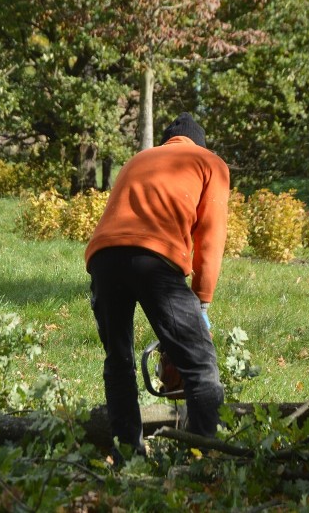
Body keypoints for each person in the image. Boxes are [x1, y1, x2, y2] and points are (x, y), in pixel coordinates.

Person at [85, 112, 230, 459]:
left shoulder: (139, 159)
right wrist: (202, 303)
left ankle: (127, 455)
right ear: (200, 143)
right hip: (155, 259)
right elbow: (210, 237)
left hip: (103, 258)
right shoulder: (210, 163)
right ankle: (203, 458)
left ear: (167, 140)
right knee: (199, 364)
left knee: (118, 360)